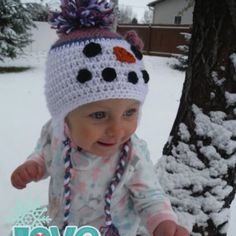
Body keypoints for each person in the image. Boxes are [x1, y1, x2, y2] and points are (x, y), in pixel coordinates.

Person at [11, 0, 189, 235]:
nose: (117, 130)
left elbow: (150, 195)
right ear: (64, 116)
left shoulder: (131, 153)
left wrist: (162, 222)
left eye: (129, 112)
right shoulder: (55, 132)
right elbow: (45, 154)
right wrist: (34, 166)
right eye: (99, 114)